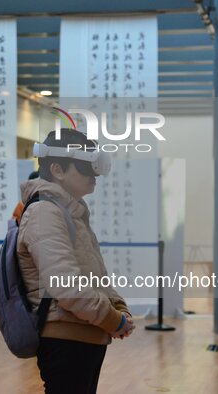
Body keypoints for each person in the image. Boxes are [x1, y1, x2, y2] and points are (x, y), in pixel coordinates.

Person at [17, 129, 135, 394]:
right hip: (66, 339)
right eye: (85, 168)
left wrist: (119, 308)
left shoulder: (69, 211)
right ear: (57, 169)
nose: (94, 176)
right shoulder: (45, 213)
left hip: (85, 333)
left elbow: (95, 275)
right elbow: (66, 286)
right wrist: (113, 320)